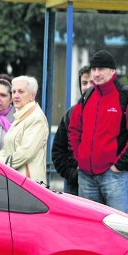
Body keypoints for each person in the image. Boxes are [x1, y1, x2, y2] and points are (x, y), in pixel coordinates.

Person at [69, 50, 128, 215]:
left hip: (115, 176)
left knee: (122, 230)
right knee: (91, 230)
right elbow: (74, 129)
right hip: (86, 176)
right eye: (93, 69)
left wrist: (119, 165)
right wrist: (80, 159)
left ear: (113, 71)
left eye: (101, 69)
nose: (96, 73)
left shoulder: (127, 95)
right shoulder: (88, 96)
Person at [0, 76, 48, 183]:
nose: (16, 95)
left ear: (32, 95)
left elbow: (25, 153)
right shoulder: (20, 115)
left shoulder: (36, 118)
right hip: (16, 181)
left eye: (21, 91)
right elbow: (6, 148)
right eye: (14, 91)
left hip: (30, 184)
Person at [52, 65, 92, 195]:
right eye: (84, 83)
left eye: (92, 82)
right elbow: (58, 152)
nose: (87, 86)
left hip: (105, 187)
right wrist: (73, 175)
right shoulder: (71, 114)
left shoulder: (112, 112)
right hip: (75, 188)